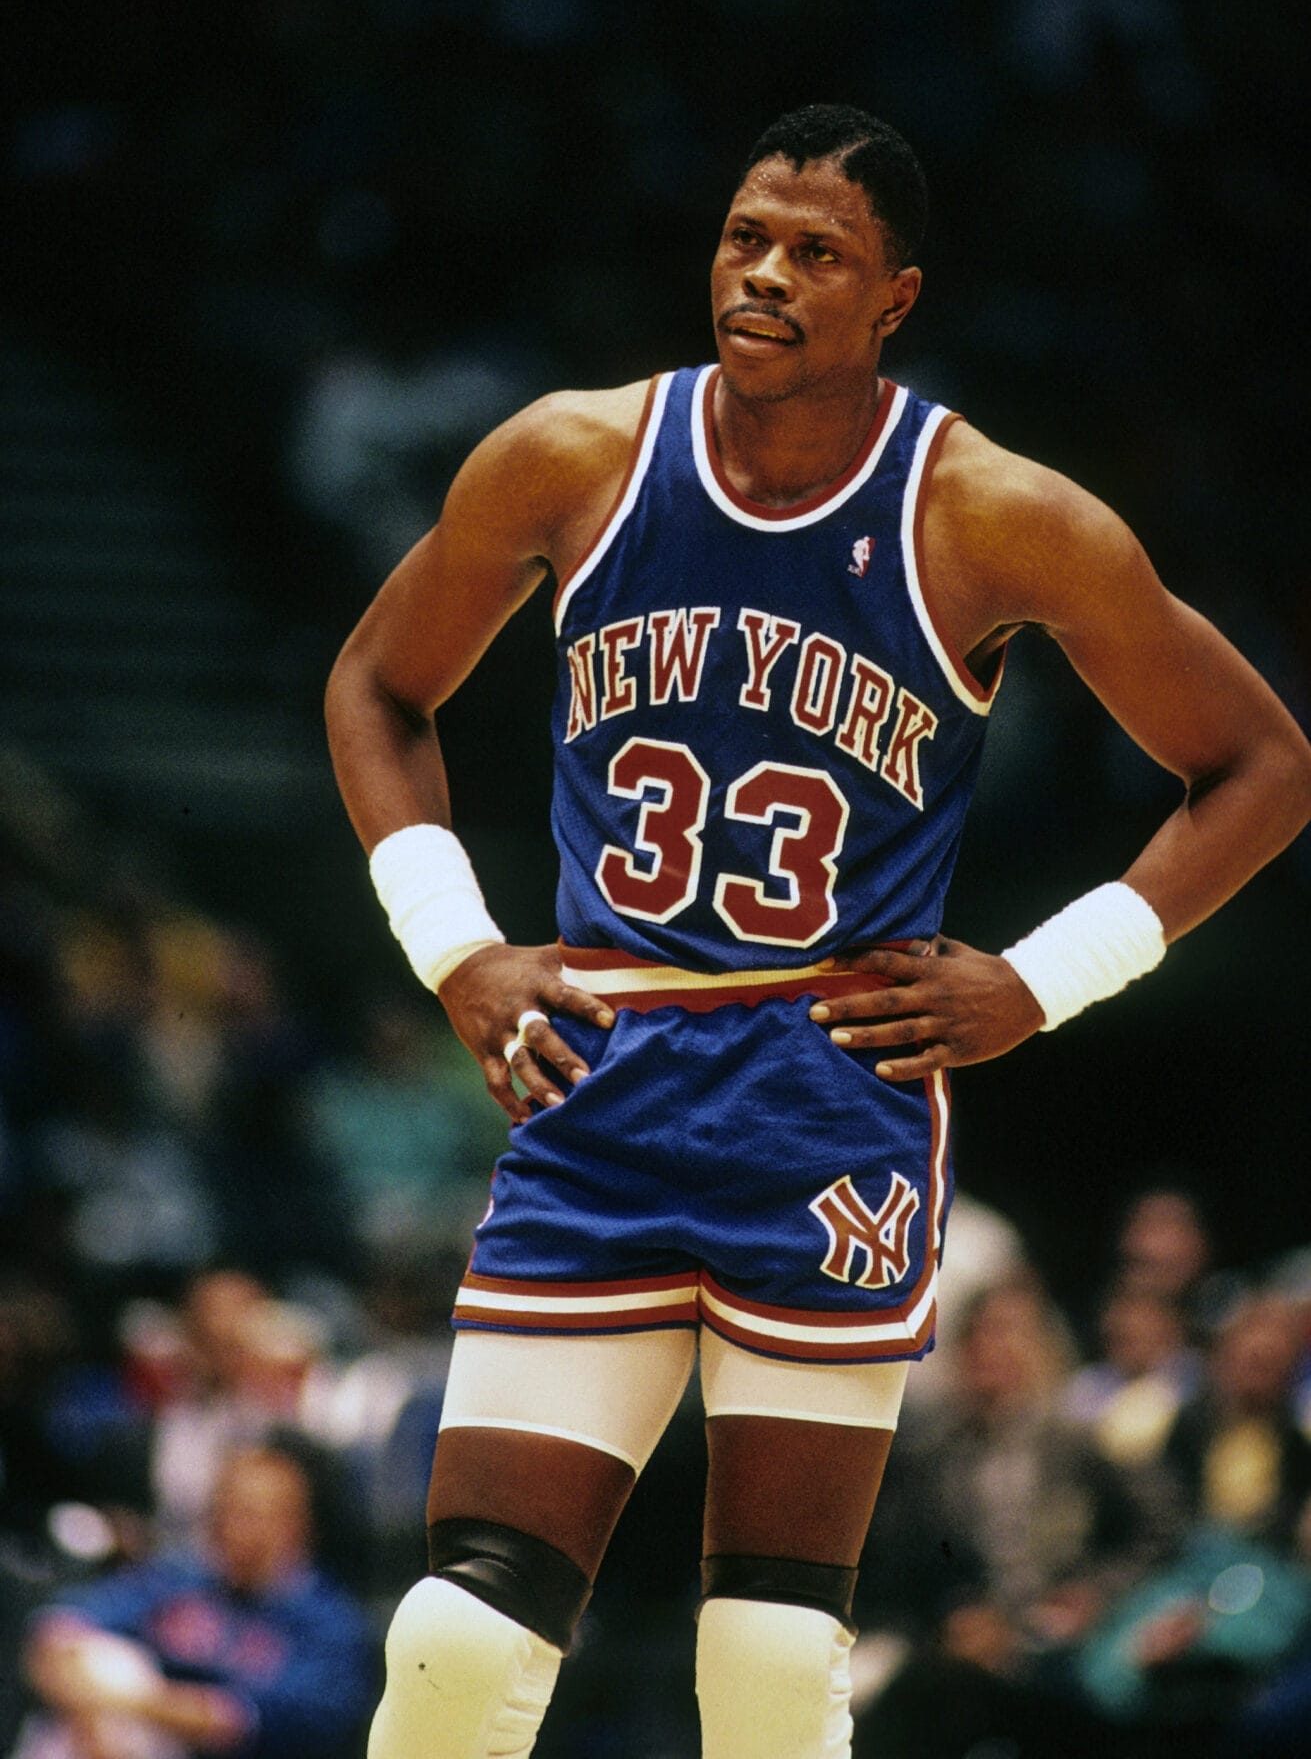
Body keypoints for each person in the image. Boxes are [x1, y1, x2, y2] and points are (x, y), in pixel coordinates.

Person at [323, 103, 1311, 1759]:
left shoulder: (994, 512)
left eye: (816, 255)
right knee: (456, 1637)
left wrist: (1048, 977)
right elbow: (376, 679)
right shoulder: (573, 454)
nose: (764, 275)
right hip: (599, 1077)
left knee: (773, 1666)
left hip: (827, 1093)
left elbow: (1263, 763)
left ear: (893, 299)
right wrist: (455, 942)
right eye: (743, 239)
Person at [20, 1443, 374, 1759]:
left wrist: (126, 1702)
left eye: (249, 1513)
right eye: (223, 1509)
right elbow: (55, 1629)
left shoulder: (330, 1623)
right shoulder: (181, 1579)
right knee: (101, 1668)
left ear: (296, 1523)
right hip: (125, 1737)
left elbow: (238, 1724)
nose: (229, 1526)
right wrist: (91, 1721)